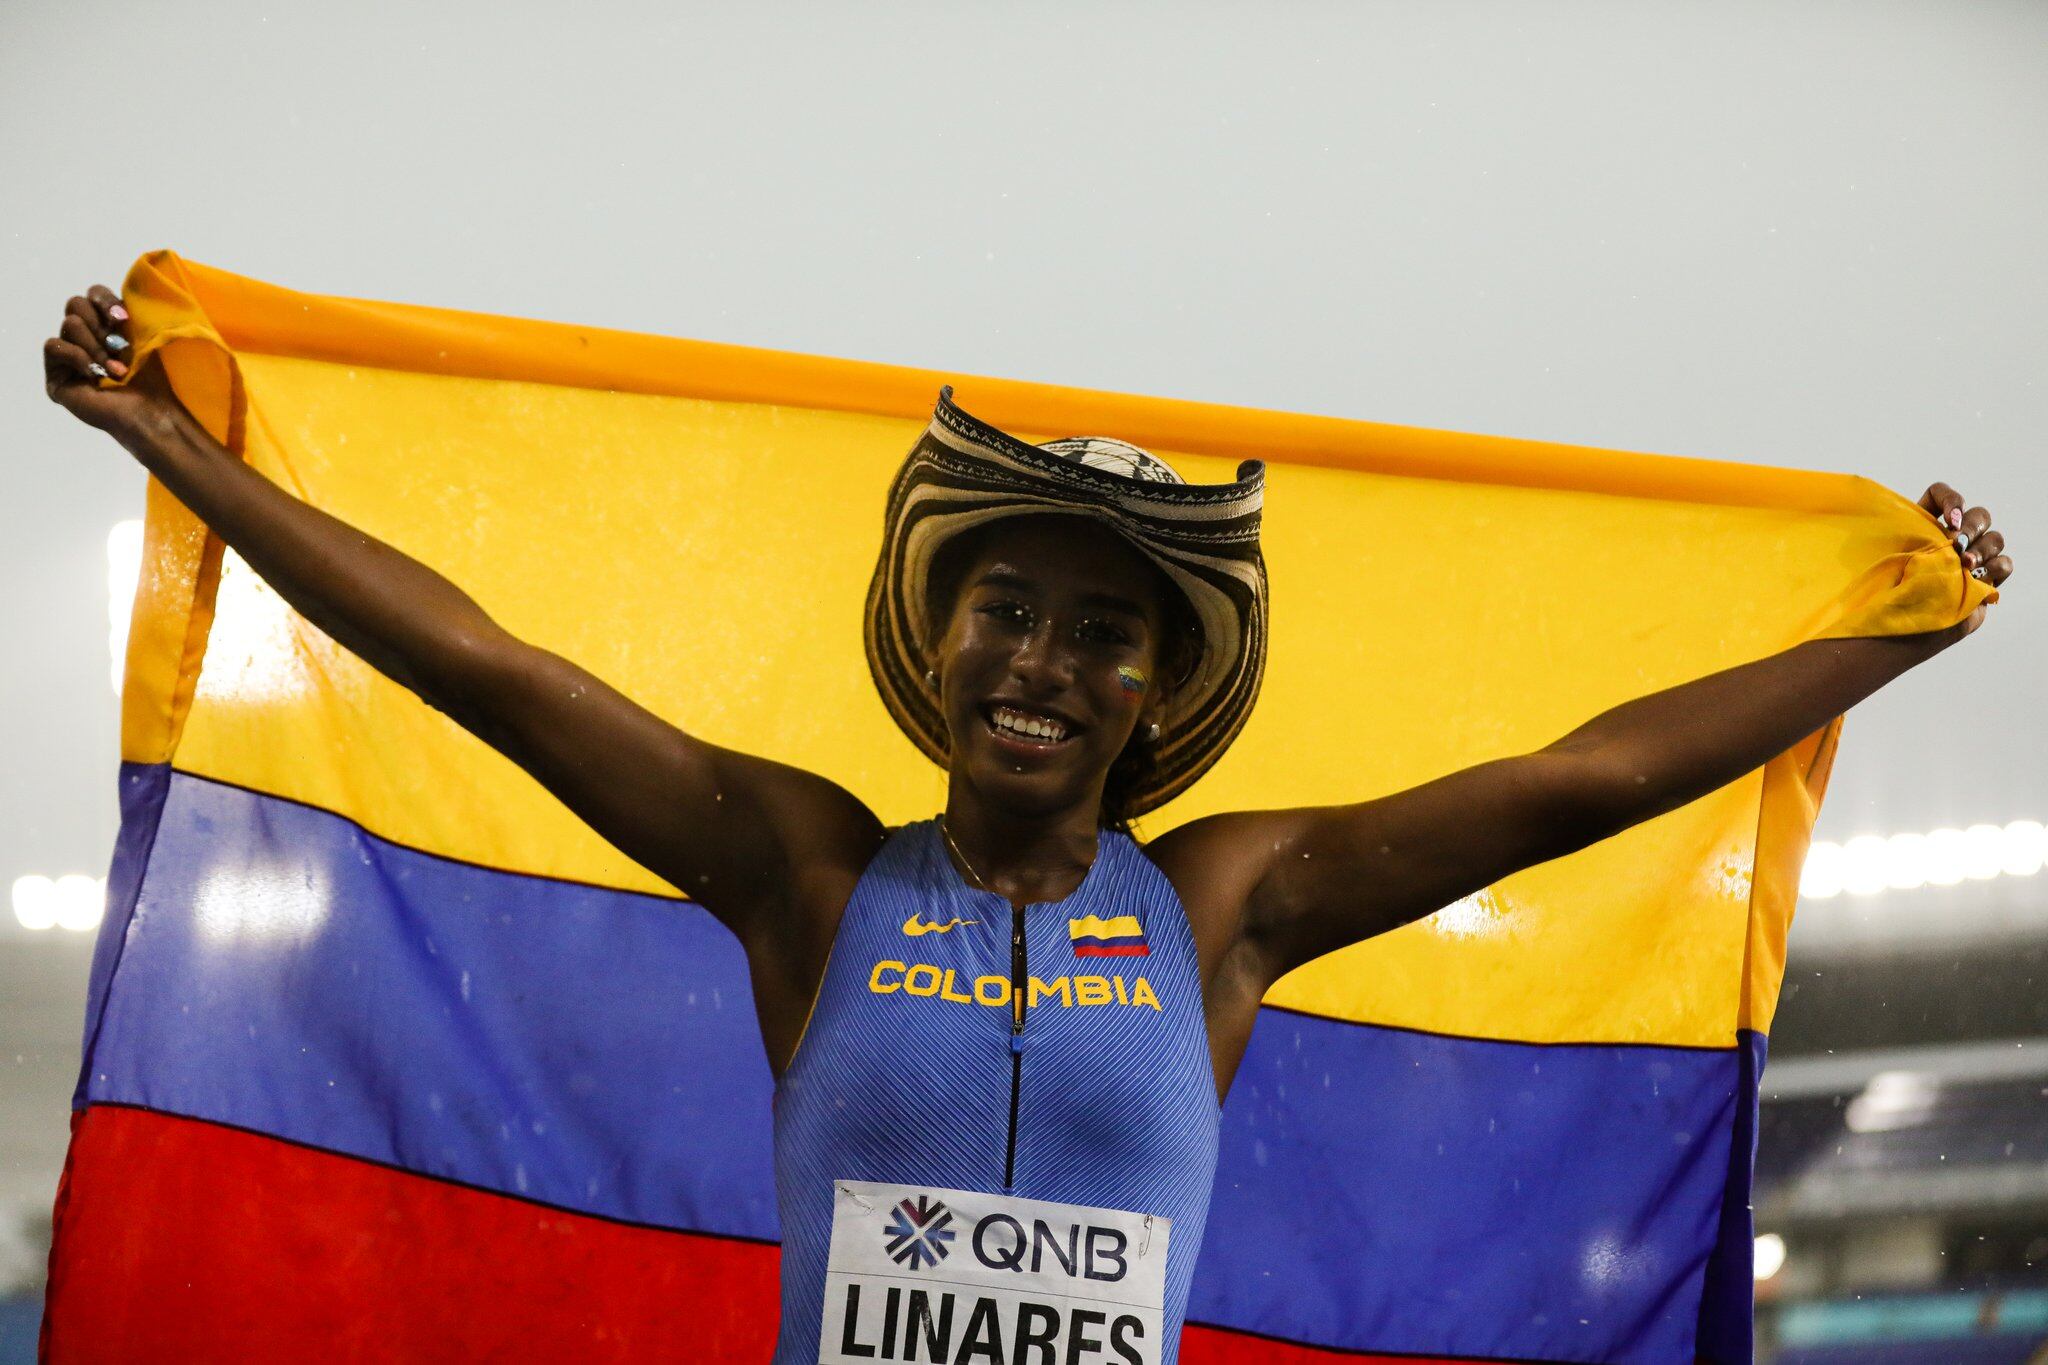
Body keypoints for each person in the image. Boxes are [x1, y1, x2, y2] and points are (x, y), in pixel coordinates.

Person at [44, 283, 2012, 1362]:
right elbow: (485, 661)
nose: (1041, 662)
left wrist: (1881, 634)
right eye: (1008, 610)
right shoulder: (801, 867)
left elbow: (1581, 778)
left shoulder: (1226, 902)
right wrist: (184, 456)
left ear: (1153, 688)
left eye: (1099, 634)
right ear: (943, 631)